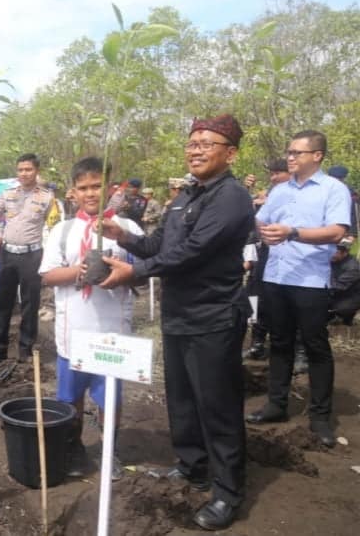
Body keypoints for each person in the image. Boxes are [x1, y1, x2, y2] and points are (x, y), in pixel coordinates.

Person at [98, 115, 254, 531]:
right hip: (179, 315)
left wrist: (135, 272)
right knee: (182, 399)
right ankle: (192, 466)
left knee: (217, 406)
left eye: (207, 143)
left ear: (230, 153)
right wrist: (122, 237)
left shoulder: (232, 197)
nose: (196, 149)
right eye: (192, 143)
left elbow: (195, 252)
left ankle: (227, 491)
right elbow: (158, 244)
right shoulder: (185, 196)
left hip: (214, 316)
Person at [40, 156, 143, 481]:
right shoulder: (63, 230)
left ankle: (109, 450)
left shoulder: (128, 229)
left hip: (113, 332)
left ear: (110, 187)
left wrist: (125, 273)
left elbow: (146, 272)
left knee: (109, 396)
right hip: (74, 332)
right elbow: (48, 275)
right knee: (70, 397)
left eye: (97, 186)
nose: (90, 193)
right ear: (72, 192)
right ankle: (72, 449)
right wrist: (79, 271)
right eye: (83, 188)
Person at [247, 130, 351, 450]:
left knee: (315, 346)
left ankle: (319, 417)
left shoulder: (334, 190)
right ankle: (276, 405)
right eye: (289, 152)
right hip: (276, 277)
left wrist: (292, 232)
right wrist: (262, 232)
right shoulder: (279, 190)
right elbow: (260, 221)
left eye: (297, 153)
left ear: (317, 156)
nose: (290, 158)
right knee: (279, 343)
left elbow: (337, 230)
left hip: (310, 281)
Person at [0, 153, 55, 365]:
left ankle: (25, 349)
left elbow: (53, 226)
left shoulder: (47, 197)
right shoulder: (7, 194)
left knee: (30, 304)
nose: (24, 173)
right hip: (7, 255)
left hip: (32, 255)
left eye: (28, 169)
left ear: (36, 171)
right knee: (3, 302)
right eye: (20, 170)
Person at [244, 159, 291, 360]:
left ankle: (297, 349)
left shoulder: (299, 196)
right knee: (255, 297)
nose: (273, 178)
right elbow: (252, 231)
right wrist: (248, 258)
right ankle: (257, 341)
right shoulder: (266, 198)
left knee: (288, 302)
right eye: (271, 174)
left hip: (291, 259)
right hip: (263, 255)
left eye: (277, 173)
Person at [329, 238, 360, 325]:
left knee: (340, 309)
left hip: (350, 295)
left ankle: (347, 316)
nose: (331, 255)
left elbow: (339, 286)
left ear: (345, 253)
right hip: (336, 291)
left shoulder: (353, 268)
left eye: (335, 252)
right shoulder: (332, 260)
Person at [326, 165, 357, 240]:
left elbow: (353, 213)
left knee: (342, 249)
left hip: (344, 229)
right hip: (326, 229)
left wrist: (352, 233)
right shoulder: (323, 190)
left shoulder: (350, 193)